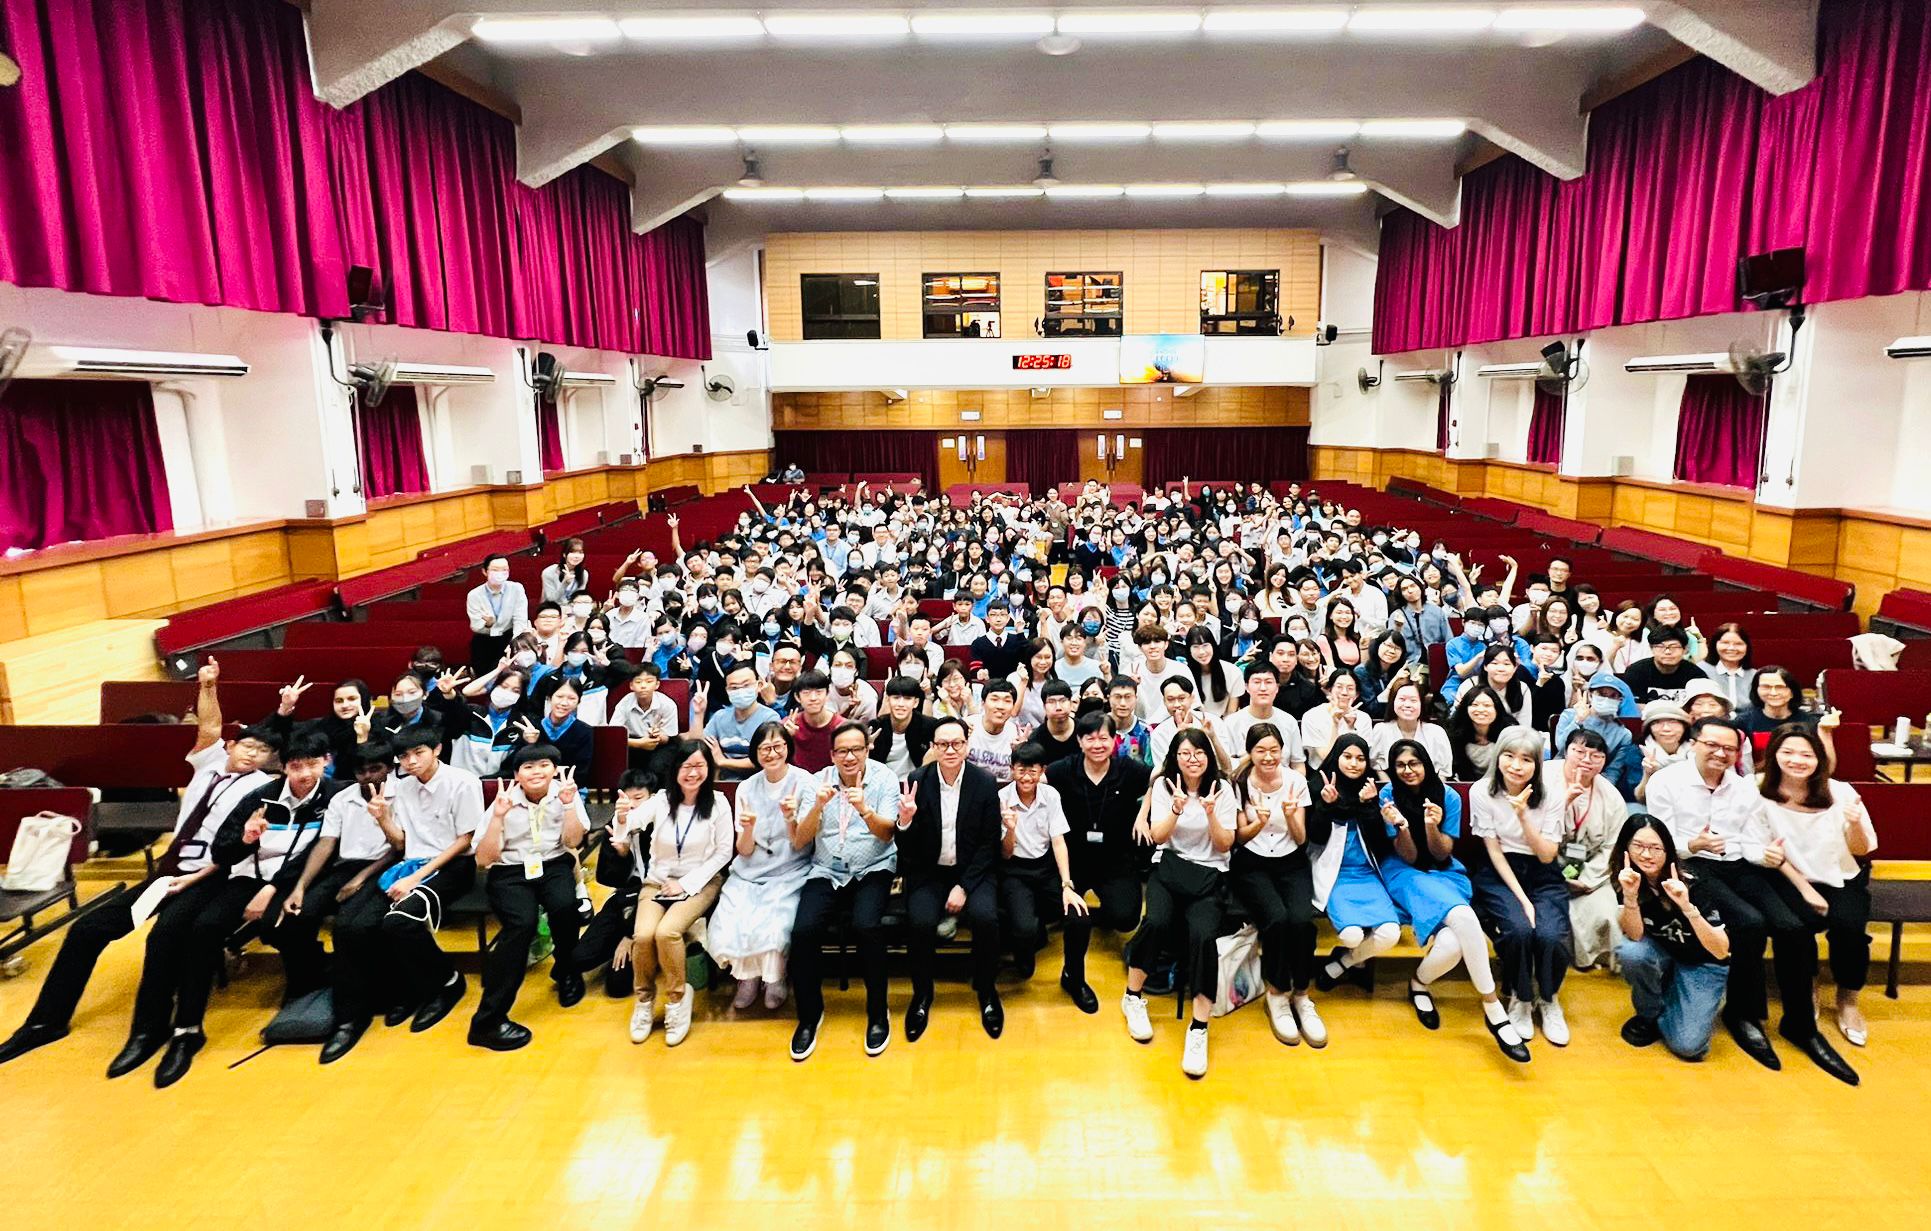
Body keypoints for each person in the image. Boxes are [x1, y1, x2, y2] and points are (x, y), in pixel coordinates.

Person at [0, 661, 277, 1076]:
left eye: (262, 752)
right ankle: (45, 1022)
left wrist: (196, 877)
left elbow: (243, 849)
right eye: (247, 746)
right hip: (167, 873)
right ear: (232, 746)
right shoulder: (209, 764)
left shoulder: (261, 788)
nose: (251, 754)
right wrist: (208, 686)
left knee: (164, 937)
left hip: (208, 877)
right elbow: (209, 725)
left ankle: (149, 1030)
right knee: (87, 930)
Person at [1644, 717, 1855, 1082]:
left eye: (1729, 748)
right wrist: (1693, 844)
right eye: (1712, 745)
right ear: (1694, 743)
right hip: (1691, 865)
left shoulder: (1743, 788)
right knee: (1749, 924)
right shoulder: (1666, 781)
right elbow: (1658, 843)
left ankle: (1800, 1025)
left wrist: (1767, 856)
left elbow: (1750, 842)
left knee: (1793, 927)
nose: (1720, 753)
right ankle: (1744, 1014)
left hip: (1739, 865)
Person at [324, 725, 482, 1061]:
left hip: (452, 866)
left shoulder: (462, 782)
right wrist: (383, 819)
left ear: (437, 750)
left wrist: (417, 878)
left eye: (418, 753)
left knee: (399, 922)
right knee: (350, 925)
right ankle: (354, 1015)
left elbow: (465, 840)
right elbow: (401, 843)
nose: (410, 762)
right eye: (404, 756)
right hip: (410, 865)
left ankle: (446, 982)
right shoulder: (404, 787)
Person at [1376, 739, 1529, 1061]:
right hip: (1405, 872)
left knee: (1453, 944)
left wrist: (1431, 826)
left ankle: (1418, 984)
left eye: (1414, 763)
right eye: (1400, 765)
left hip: (1443, 870)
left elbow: (1441, 853)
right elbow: (1409, 856)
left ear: (1426, 764)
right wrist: (1402, 826)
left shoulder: (1447, 796)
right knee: (1463, 915)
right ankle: (1493, 1009)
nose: (1407, 771)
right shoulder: (1388, 794)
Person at [1120, 728, 1238, 1079]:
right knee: (1156, 921)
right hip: (1169, 869)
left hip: (1210, 874)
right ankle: (1132, 996)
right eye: (1185, 753)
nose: (1192, 759)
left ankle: (1199, 1028)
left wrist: (1211, 813)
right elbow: (1158, 836)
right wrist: (1175, 808)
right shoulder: (1163, 785)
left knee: (1203, 936)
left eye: (1199, 753)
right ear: (1175, 757)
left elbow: (1225, 845)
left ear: (1208, 756)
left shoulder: (1223, 788)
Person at [787, 722, 907, 1061]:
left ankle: (878, 1012)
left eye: (856, 749)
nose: (849, 757)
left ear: (868, 750)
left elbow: (888, 834)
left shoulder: (884, 779)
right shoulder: (817, 781)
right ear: (832, 755)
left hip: (873, 866)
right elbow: (800, 840)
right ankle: (810, 1015)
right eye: (842, 751)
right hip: (827, 868)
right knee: (803, 931)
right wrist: (817, 807)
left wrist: (864, 810)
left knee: (867, 926)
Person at [1756, 724, 1877, 1054]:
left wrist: (1854, 823)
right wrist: (1804, 888)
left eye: (1806, 754)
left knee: (1849, 928)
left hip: (1841, 874)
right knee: (1796, 927)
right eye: (1788, 752)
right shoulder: (1759, 792)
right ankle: (1808, 988)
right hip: (1788, 875)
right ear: (1774, 755)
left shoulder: (1841, 792)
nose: (1797, 760)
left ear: (1819, 758)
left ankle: (1848, 1000)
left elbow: (1861, 849)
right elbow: (1766, 848)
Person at [468, 745, 589, 1051]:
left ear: (555, 770)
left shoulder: (565, 792)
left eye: (544, 765)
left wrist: (569, 806)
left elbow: (573, 841)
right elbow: (483, 859)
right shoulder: (504, 800)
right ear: (517, 775)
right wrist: (498, 817)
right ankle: (487, 1021)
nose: (536, 772)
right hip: (509, 870)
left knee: (565, 908)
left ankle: (566, 971)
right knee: (521, 926)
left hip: (553, 863)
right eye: (528, 767)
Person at [897, 716, 1005, 1041]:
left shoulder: (984, 782)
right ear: (933, 747)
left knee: (986, 918)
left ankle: (987, 990)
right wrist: (905, 822)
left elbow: (989, 843)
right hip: (929, 871)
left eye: (957, 743)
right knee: (919, 922)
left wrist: (964, 886)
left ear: (967, 746)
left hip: (972, 870)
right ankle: (922, 994)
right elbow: (908, 848)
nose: (950, 750)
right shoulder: (917, 780)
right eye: (942, 744)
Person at [617, 741, 732, 1047]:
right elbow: (628, 827)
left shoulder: (719, 804)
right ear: (675, 770)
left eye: (699, 766)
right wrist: (622, 816)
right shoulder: (660, 800)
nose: (693, 773)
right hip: (657, 882)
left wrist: (686, 884)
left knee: (667, 932)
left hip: (701, 882)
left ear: (709, 769)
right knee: (643, 935)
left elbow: (723, 853)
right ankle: (644, 1001)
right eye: (686, 766)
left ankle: (677, 1000)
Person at [1468, 726, 1575, 1045]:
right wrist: (1524, 901)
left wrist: (1523, 816)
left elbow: (1547, 855)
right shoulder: (1481, 791)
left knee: (1551, 934)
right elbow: (1493, 851)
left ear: (1537, 764)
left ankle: (1549, 998)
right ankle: (1521, 997)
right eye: (1509, 756)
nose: (1516, 766)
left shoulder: (1552, 795)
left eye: (1526, 759)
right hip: (1499, 870)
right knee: (1518, 930)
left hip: (1542, 871)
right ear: (1497, 757)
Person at [710, 723, 819, 1014]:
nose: (771, 754)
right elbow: (744, 849)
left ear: (788, 748)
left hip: (791, 869)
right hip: (750, 869)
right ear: (755, 753)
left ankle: (775, 979)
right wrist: (748, 829)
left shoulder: (805, 782)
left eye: (777, 746)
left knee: (774, 924)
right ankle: (747, 979)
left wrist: (791, 818)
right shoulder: (746, 787)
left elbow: (801, 843)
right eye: (764, 748)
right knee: (733, 920)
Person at [1228, 723, 1326, 1047]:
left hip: (1291, 861)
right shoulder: (1240, 783)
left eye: (1274, 750)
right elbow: (1239, 838)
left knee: (1302, 920)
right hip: (1252, 863)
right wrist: (1258, 823)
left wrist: (1292, 815)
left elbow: (1301, 839)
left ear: (1283, 751)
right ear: (1250, 752)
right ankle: (1277, 993)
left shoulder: (1296, 782)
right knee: (1277, 919)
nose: (1268, 757)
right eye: (1261, 750)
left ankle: (1302, 994)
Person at [1046, 711, 1151, 1009]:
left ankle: (1101, 916)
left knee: (1127, 918)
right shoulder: (1063, 770)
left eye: (1104, 738)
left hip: (1115, 860)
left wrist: (1143, 814)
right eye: (1089, 738)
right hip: (1074, 860)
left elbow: (1161, 779)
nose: (1097, 744)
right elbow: (1032, 779)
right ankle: (1073, 977)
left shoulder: (1128, 769)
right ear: (1079, 741)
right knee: (1074, 918)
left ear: (1114, 740)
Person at [1611, 815, 1731, 1061]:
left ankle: (1678, 1001)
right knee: (1631, 952)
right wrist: (1630, 897)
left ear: (1668, 850)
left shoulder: (1695, 882)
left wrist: (1687, 907)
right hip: (1665, 952)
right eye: (1638, 846)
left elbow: (1721, 950)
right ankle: (1650, 1013)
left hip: (1702, 962)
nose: (1647, 855)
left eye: (1656, 848)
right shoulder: (1627, 877)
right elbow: (1635, 935)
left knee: (1688, 1046)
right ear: (1626, 848)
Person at [1309, 734, 1403, 1002]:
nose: (1354, 764)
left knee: (1390, 934)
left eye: (1361, 759)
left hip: (1367, 874)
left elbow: (1380, 845)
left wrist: (1367, 806)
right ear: (1336, 757)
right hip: (1335, 874)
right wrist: (1326, 806)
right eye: (1347, 757)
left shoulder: (1371, 791)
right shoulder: (1319, 786)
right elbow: (1314, 838)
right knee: (1351, 936)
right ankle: (1354, 959)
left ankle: (1341, 964)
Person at [996, 742, 1088, 993]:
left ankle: (1074, 977)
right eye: (1021, 770)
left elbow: (1058, 841)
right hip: (1014, 870)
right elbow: (1005, 853)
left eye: (1033, 771)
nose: (1026, 778)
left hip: (1045, 867)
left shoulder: (1051, 795)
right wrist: (1011, 829)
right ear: (1012, 769)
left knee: (1079, 917)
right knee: (1024, 930)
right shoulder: (1002, 799)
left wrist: (1067, 885)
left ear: (1043, 771)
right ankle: (1024, 954)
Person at [1552, 729, 1627, 971]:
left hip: (1592, 872)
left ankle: (1595, 962)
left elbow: (1613, 845)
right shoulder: (1542, 778)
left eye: (1596, 756)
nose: (1587, 760)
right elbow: (1530, 830)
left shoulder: (1612, 796)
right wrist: (1563, 803)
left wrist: (1586, 880)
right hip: (1544, 867)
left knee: (1605, 915)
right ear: (1566, 751)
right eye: (1580, 752)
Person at [700, 662, 782, 781]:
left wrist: (723, 761)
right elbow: (699, 747)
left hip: (760, 782)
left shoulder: (770, 718)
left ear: (759, 685)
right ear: (727, 690)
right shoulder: (719, 717)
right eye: (734, 687)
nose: (740, 691)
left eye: (746, 685)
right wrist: (698, 713)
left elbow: (767, 758)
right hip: (723, 782)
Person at [1367, 679, 1452, 779]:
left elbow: (1443, 772)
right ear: (1393, 701)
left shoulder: (1437, 732)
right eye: (1402, 699)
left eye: (1413, 700)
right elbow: (1377, 766)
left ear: (1421, 703)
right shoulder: (1381, 730)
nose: (1407, 705)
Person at [466, 554, 531, 671]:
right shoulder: (474, 595)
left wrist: (515, 643)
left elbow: (520, 619)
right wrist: (488, 624)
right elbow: (475, 625)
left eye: (504, 570)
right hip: (484, 640)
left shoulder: (516, 588)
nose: (500, 573)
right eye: (495, 570)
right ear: (485, 572)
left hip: (509, 637)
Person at [1619, 625, 1707, 705]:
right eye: (1660, 646)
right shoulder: (1636, 672)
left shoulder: (1696, 675)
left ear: (1685, 649)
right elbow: (1633, 706)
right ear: (1651, 648)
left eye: (1674, 647)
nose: (1667, 652)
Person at [1299, 668, 1370, 765]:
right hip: (1322, 769)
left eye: (1350, 688)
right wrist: (1335, 724)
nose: (1344, 692)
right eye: (1339, 687)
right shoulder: (1312, 716)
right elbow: (1326, 758)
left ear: (1357, 694)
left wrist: (1351, 728)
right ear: (1329, 690)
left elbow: (1360, 757)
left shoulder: (1364, 718)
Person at [785, 670, 848, 773]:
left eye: (819, 692)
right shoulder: (788, 725)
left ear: (827, 694)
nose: (813, 698)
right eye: (806, 693)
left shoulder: (842, 727)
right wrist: (785, 738)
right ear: (797, 697)